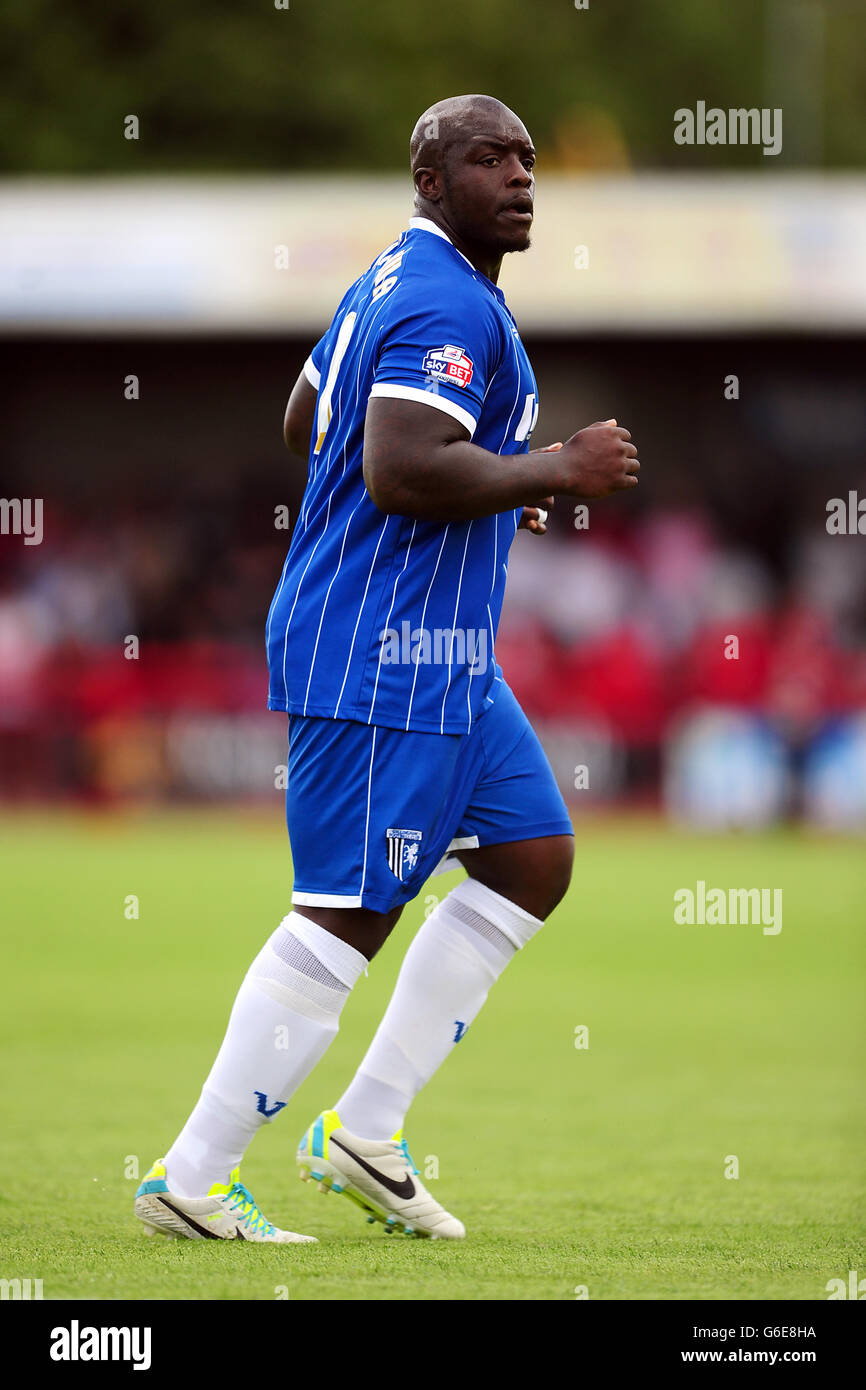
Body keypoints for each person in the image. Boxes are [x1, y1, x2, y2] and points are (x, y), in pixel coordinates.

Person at [134, 93, 640, 1243]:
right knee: (345, 911)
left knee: (529, 859)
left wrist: (502, 481)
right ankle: (192, 1175)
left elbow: (304, 413)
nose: (518, 176)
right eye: (485, 158)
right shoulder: (439, 296)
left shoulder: (393, 282)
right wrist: (552, 468)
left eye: (523, 156)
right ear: (428, 180)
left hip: (446, 657)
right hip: (380, 651)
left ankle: (364, 1129)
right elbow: (401, 467)